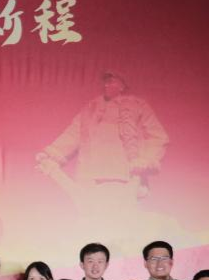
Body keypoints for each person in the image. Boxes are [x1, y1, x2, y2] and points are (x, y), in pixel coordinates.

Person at [36, 71, 168, 201]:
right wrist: (51, 154)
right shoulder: (91, 108)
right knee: (90, 209)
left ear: (122, 85)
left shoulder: (137, 105)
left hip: (123, 173)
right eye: (105, 82)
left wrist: (146, 160)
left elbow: (157, 136)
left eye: (111, 82)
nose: (106, 85)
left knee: (120, 210)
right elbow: (73, 133)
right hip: (90, 174)